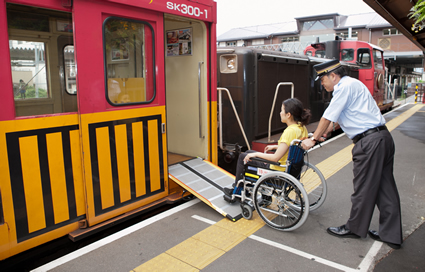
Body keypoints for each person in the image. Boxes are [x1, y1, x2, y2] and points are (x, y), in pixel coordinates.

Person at [301, 59, 402, 249]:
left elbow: (327, 116)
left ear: (333, 75)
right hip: (382, 138)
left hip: (370, 143)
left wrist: (312, 140)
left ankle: (355, 228)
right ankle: (391, 235)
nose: (322, 84)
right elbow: (335, 122)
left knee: (363, 187)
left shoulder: (343, 87)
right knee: (385, 188)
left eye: (322, 80)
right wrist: (323, 133)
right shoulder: (353, 85)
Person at [223, 98, 310, 196]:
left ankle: (237, 191)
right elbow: (291, 148)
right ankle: (244, 188)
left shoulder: (289, 131)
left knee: (243, 157)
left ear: (288, 115)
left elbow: (275, 158)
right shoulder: (301, 127)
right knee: (248, 152)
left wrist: (256, 154)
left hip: (277, 171)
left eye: (282, 110)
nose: (280, 113)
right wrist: (275, 147)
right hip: (291, 170)